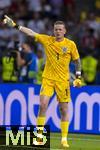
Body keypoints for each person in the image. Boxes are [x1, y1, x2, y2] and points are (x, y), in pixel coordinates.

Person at [3, 15, 82, 148]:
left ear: (65, 31)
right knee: (43, 104)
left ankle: (64, 139)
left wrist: (78, 77)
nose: (57, 31)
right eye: (56, 29)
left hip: (63, 81)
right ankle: (39, 137)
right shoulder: (47, 40)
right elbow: (31, 32)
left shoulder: (70, 44)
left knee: (63, 109)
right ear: (53, 30)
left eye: (60, 29)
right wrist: (16, 25)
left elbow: (77, 61)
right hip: (48, 79)